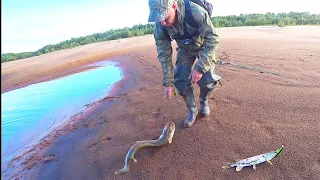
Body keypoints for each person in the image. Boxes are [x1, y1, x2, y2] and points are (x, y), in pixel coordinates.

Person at [148, 0, 221, 128]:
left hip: (205, 47)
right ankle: (192, 110)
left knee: (207, 79)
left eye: (165, 16)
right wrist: (168, 81)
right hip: (185, 50)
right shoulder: (160, 26)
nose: (163, 22)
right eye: (158, 18)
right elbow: (164, 54)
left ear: (174, 6)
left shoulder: (195, 11)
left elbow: (212, 39)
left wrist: (200, 67)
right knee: (180, 80)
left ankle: (204, 101)